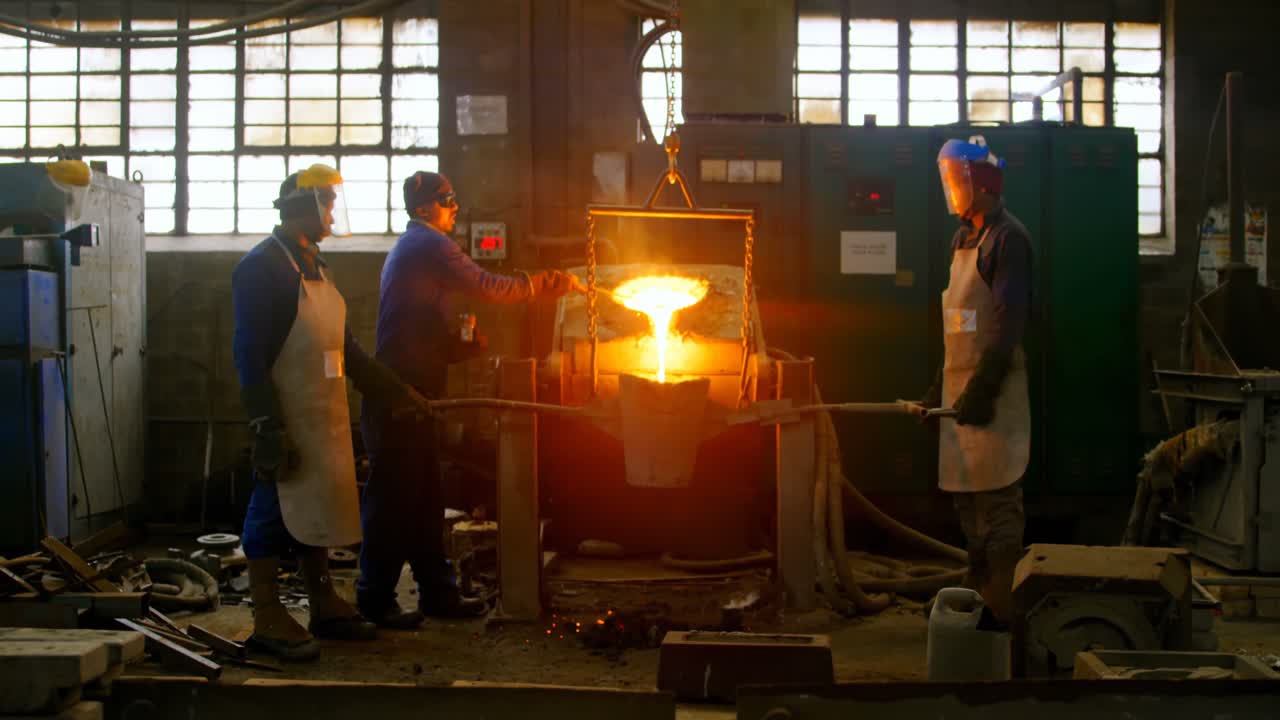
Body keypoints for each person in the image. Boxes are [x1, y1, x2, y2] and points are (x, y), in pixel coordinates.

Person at [356, 171, 580, 629]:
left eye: (454, 197)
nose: (455, 205)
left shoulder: (417, 250)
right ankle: (373, 598)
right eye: (445, 199)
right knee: (395, 496)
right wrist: (550, 282)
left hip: (418, 390)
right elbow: (490, 286)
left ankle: (437, 592)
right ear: (422, 209)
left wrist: (464, 345)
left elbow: (424, 331)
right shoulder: (427, 245)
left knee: (423, 496)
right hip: (399, 393)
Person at [232, 164, 434, 660]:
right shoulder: (262, 268)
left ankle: (322, 601)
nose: (332, 213)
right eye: (326, 203)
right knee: (271, 509)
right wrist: (265, 427)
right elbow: (249, 356)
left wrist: (397, 392)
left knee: (314, 510)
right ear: (301, 208)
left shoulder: (314, 265)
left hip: (323, 413)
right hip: (285, 417)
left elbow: (348, 352)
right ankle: (266, 616)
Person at [916, 137, 1032, 625]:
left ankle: (1001, 605)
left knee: (997, 501)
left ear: (981, 182)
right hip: (959, 391)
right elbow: (959, 328)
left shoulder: (1009, 240)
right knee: (968, 502)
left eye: (955, 179)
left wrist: (982, 389)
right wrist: (938, 386)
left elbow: (1006, 326)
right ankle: (979, 589)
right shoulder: (962, 240)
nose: (952, 190)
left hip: (993, 394)